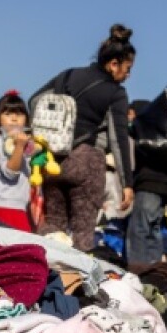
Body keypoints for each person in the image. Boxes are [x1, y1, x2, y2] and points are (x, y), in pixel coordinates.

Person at [33, 24, 135, 251]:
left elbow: (35, 101)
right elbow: (118, 139)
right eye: (127, 69)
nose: (128, 75)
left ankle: (47, 277)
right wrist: (127, 182)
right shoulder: (116, 93)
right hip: (87, 161)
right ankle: (78, 283)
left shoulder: (68, 75)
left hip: (53, 161)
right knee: (82, 232)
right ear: (113, 64)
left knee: (52, 226)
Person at [126, 88, 167, 267]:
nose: (128, 118)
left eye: (130, 114)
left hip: (149, 186)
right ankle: (154, 270)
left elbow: (130, 129)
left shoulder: (145, 131)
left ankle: (138, 270)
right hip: (164, 189)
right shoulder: (161, 135)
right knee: (153, 230)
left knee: (139, 229)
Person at [0, 89, 37, 231]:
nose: (14, 118)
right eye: (8, 114)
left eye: (19, 113)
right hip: (3, 210)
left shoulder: (26, 142)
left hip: (22, 209)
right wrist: (19, 146)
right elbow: (10, 172)